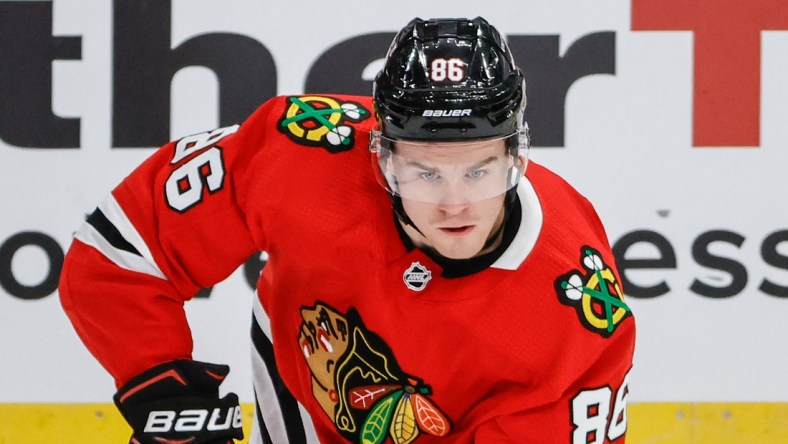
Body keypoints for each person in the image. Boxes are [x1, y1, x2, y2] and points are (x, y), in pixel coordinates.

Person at [59, 16, 635, 443]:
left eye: (479, 169)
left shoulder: (578, 307)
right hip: (306, 385)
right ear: (381, 155)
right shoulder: (302, 150)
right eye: (424, 170)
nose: (453, 204)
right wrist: (158, 378)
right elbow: (121, 249)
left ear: (517, 157)